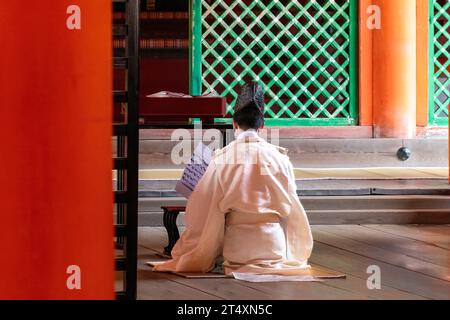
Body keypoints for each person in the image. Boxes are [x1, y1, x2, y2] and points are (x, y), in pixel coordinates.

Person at [153, 82, 314, 280]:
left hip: (238, 247)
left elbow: (202, 208)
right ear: (262, 126)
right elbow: (293, 210)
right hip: (275, 246)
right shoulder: (281, 159)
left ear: (234, 124)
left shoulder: (222, 158)